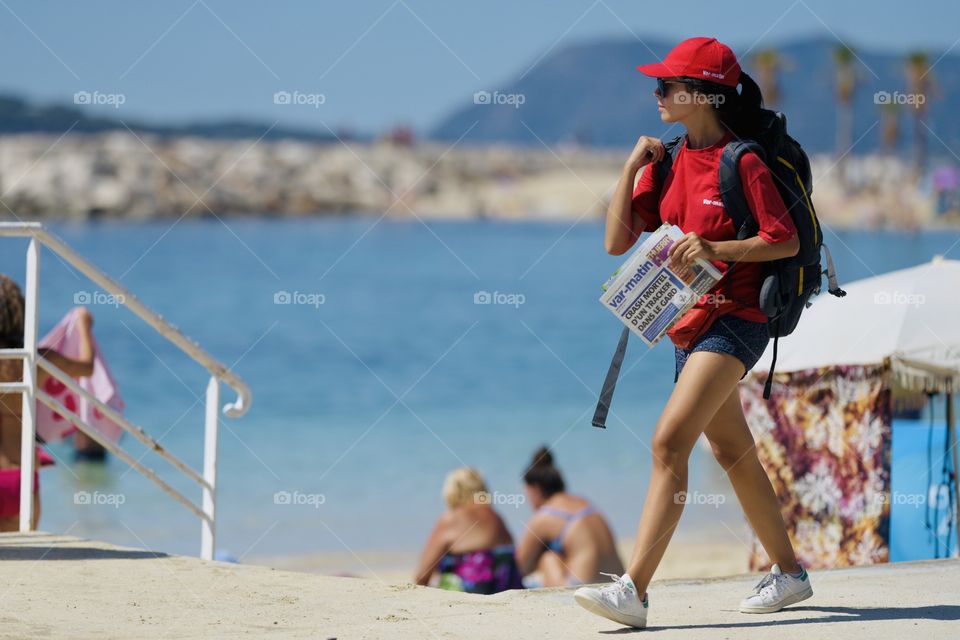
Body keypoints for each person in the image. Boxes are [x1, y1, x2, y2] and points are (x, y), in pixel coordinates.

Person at [574, 37, 813, 629]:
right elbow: (614, 242)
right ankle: (790, 574)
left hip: (738, 319)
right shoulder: (672, 160)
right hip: (687, 324)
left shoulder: (744, 161)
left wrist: (715, 247)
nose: (656, 95)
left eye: (666, 86)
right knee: (731, 449)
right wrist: (632, 165)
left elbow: (785, 240)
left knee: (667, 442)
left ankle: (635, 590)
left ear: (701, 93)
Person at [0, 274, 97, 531]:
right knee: (28, 560)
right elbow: (87, 368)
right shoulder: (37, 361)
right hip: (22, 474)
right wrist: (83, 326)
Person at [516, 447, 623, 586]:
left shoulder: (545, 516)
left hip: (582, 587)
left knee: (549, 558)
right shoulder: (586, 504)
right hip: (617, 583)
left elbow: (520, 567)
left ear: (535, 489)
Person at [414, 467, 524, 594]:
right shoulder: (496, 517)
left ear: (453, 491)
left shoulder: (451, 518)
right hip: (506, 588)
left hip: (470, 592)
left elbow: (422, 575)